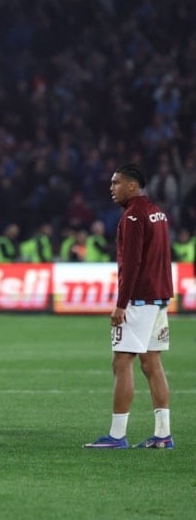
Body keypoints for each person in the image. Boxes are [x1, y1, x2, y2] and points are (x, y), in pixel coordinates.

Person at [85, 164, 174, 449]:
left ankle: (117, 436)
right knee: (152, 363)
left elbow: (132, 264)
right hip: (159, 297)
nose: (111, 188)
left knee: (122, 361)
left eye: (116, 183)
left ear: (132, 186)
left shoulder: (133, 216)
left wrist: (121, 305)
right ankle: (163, 435)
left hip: (140, 299)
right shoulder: (157, 212)